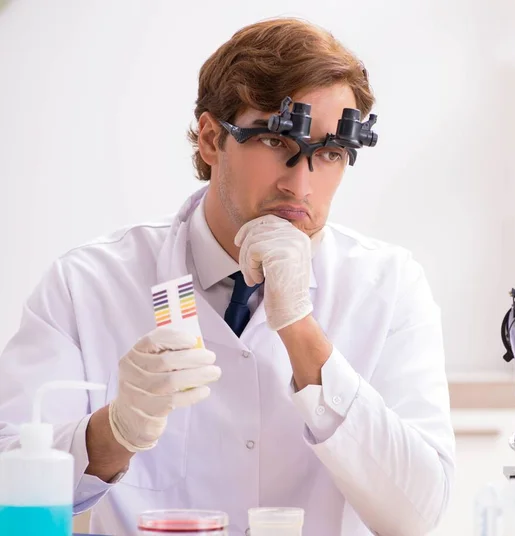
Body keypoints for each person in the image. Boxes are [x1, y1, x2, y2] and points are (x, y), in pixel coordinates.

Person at [0, 17, 455, 536]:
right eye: (279, 144)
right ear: (212, 139)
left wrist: (300, 329)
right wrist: (116, 430)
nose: (300, 184)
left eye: (329, 154)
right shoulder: (87, 284)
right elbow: (10, 477)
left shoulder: (389, 287)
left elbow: (417, 515)